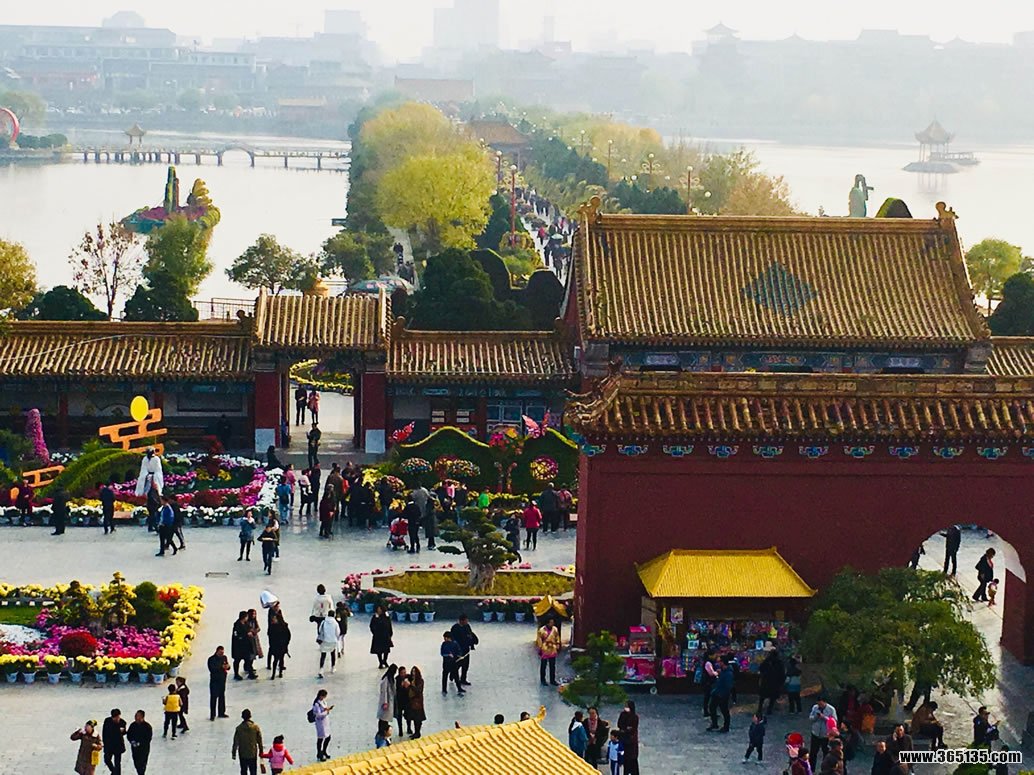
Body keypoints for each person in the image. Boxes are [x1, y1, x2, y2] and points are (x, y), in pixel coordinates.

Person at [231, 709, 263, 775]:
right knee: (253, 770)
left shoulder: (239, 728)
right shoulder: (255, 727)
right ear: (250, 716)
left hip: (243, 753)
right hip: (252, 752)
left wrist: (234, 753)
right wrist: (261, 750)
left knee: (243, 770)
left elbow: (235, 742)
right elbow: (259, 740)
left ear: (242, 717)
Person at [450, 614, 479, 686]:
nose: (467, 622)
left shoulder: (467, 626)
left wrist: (472, 644)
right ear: (461, 621)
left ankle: (463, 679)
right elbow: (453, 639)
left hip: (466, 649)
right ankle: (453, 673)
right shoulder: (455, 628)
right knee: (458, 664)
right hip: (459, 650)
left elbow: (470, 635)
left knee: (465, 665)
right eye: (466, 620)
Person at [708, 659, 734, 733]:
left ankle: (726, 727)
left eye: (720, 662)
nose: (718, 663)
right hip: (717, 693)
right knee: (712, 707)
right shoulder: (724, 671)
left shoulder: (728, 673)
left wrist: (722, 693)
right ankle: (715, 724)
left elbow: (728, 686)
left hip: (722, 694)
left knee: (724, 710)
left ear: (723, 663)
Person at [809, 698, 838, 765]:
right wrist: (816, 716)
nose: (819, 706)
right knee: (813, 752)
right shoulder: (815, 707)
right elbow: (810, 718)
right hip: (816, 733)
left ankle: (825, 767)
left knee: (826, 752)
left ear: (825, 702)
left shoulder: (831, 709)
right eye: (818, 704)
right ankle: (811, 768)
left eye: (821, 704)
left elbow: (834, 721)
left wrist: (824, 718)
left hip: (825, 735)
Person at [758, 648, 786, 715]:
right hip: (775, 682)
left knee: (762, 697)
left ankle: (759, 709)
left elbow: (761, 668)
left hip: (766, 680)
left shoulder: (766, 661)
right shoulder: (779, 662)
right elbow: (782, 673)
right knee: (772, 697)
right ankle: (769, 710)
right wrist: (781, 682)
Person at [232, 610, 257, 680]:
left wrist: (251, 632)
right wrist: (246, 634)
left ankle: (250, 673)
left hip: (246, 645)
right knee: (237, 660)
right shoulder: (237, 625)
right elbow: (236, 635)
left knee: (248, 659)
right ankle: (236, 674)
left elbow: (249, 629)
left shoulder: (246, 623)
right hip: (239, 646)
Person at [617, 700, 640, 775]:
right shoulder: (622, 715)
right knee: (626, 760)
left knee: (633, 760)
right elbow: (619, 724)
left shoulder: (635, 717)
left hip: (631, 742)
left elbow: (632, 728)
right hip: (624, 740)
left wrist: (626, 729)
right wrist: (625, 729)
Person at [536, 617, 561, 686]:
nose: (552, 624)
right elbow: (539, 640)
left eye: (553, 622)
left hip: (552, 648)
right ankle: (543, 679)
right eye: (550, 622)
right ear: (547, 623)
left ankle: (552, 680)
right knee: (543, 665)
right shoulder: (541, 630)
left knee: (552, 665)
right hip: (545, 648)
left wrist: (558, 644)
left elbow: (557, 637)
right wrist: (540, 648)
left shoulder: (555, 629)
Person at [102, 708, 127, 775]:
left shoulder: (122, 722)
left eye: (118, 717)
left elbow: (124, 732)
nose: (117, 719)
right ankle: (114, 772)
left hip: (118, 745)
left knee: (117, 763)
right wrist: (104, 743)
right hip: (109, 745)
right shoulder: (107, 721)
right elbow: (104, 733)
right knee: (107, 760)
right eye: (115, 717)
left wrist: (123, 731)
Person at [126, 711, 152, 775]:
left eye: (138, 716)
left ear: (142, 717)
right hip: (135, 748)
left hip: (144, 749)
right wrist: (132, 741)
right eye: (136, 716)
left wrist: (140, 743)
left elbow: (148, 738)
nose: (136, 717)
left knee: (142, 763)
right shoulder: (133, 725)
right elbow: (129, 735)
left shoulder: (147, 726)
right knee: (136, 762)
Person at [208, 646, 230, 719]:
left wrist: (227, 667)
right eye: (220, 652)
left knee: (222, 696)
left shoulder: (224, 657)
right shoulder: (211, 659)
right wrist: (221, 667)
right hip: (215, 681)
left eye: (223, 652)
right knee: (213, 697)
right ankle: (212, 714)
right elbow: (212, 669)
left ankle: (221, 712)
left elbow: (227, 666)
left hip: (222, 680)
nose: (222, 654)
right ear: (217, 651)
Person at [312, 689, 333, 762]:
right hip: (320, 723)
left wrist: (327, 710)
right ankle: (319, 753)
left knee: (328, 737)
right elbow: (318, 715)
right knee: (320, 738)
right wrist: (326, 712)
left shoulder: (323, 702)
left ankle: (324, 751)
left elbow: (324, 709)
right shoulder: (316, 704)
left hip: (325, 721)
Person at [405, 665, 427, 738]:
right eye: (412, 671)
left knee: (418, 719)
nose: (413, 673)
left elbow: (418, 691)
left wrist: (410, 686)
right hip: (412, 702)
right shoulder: (411, 679)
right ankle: (416, 732)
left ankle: (417, 732)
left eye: (414, 672)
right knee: (414, 718)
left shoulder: (420, 681)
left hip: (417, 702)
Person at [268, 612, 291, 679]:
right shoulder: (272, 626)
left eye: (274, 618)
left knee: (280, 659)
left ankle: (279, 672)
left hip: (281, 645)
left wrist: (285, 643)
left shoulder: (283, 626)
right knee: (276, 660)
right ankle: (274, 673)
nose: (273, 619)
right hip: (276, 645)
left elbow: (288, 636)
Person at [317, 613, 340, 678]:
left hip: (324, 641)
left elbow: (319, 630)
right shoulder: (335, 623)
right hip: (333, 641)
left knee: (323, 655)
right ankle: (333, 668)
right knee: (332, 654)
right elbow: (338, 633)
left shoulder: (323, 622)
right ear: (334, 615)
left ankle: (321, 670)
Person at [394, 666, 412, 736]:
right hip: (400, 700)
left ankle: (409, 728)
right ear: (399, 673)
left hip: (407, 700)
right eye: (402, 673)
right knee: (399, 716)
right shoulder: (397, 679)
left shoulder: (408, 677)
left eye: (404, 672)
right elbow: (397, 690)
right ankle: (400, 730)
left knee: (408, 715)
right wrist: (402, 686)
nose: (403, 674)